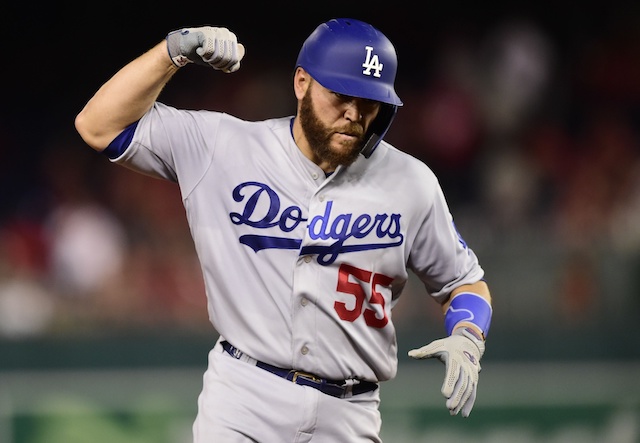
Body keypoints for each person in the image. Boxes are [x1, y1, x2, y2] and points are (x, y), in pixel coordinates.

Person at [75, 18, 493, 443]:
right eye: (341, 95)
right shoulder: (224, 146)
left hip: (349, 411)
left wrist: (468, 335)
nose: (354, 114)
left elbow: (464, 282)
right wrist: (174, 51)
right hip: (244, 397)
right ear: (301, 83)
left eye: (370, 102)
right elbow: (98, 125)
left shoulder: (411, 182)